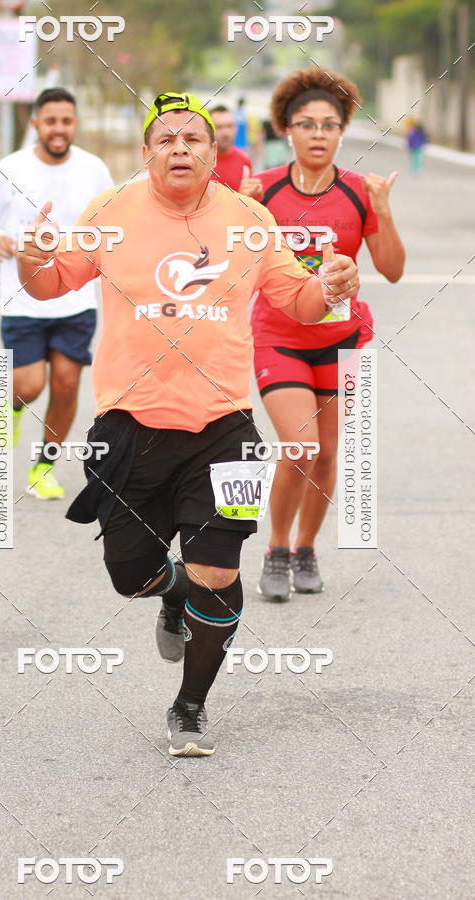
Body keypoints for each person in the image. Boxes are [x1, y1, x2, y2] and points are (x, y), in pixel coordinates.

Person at [15, 91, 358, 756]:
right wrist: (32, 258)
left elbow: (301, 302)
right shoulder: (110, 213)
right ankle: (169, 591)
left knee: (219, 574)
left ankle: (191, 706)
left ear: (213, 153)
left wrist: (334, 287)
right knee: (129, 575)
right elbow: (52, 286)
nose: (179, 148)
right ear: (146, 153)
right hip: (128, 429)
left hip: (223, 428)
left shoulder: (250, 219)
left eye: (192, 139)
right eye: (165, 139)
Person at [239, 67, 405, 601]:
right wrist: (242, 214)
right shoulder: (261, 188)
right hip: (279, 338)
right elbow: (234, 268)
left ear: (341, 132)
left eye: (329, 125)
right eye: (305, 124)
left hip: (343, 342)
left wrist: (382, 210)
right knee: (300, 447)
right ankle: (276, 547)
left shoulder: (359, 192)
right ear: (286, 129)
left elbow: (394, 269)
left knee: (328, 454)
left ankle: (307, 548)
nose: (317, 134)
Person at [0, 87, 113, 500]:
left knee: (67, 385)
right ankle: (14, 406)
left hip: (76, 297)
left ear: (75, 123)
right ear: (36, 122)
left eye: (66, 121)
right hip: (23, 297)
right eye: (50, 120)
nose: (59, 129)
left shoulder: (93, 169)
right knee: (29, 384)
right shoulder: (12, 166)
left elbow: (113, 218)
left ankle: (44, 467)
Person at [209, 104, 252, 191]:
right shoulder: (199, 160)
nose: (226, 133)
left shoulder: (244, 160)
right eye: (219, 127)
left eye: (229, 126)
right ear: (208, 130)